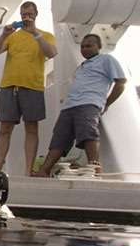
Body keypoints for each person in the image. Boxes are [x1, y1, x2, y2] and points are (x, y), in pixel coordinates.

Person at [33, 34, 126, 177]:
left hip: (89, 103)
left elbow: (120, 82)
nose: (84, 49)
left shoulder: (106, 59)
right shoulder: (81, 67)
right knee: (59, 138)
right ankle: (44, 170)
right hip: (69, 106)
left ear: (99, 47)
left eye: (89, 46)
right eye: (82, 47)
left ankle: (93, 167)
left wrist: (106, 103)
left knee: (89, 133)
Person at [0, 1, 57, 176]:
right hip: (9, 86)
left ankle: (28, 170)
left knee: (31, 128)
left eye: (29, 14)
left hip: (33, 86)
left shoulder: (45, 35)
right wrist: (4, 35)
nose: (26, 17)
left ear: (36, 15)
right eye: (23, 14)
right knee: (5, 128)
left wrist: (34, 32)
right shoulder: (13, 36)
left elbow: (51, 53)